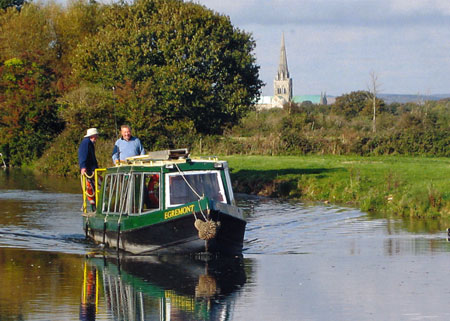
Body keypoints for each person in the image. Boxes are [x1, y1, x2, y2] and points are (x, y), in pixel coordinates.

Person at [78, 128, 99, 211]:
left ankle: (95, 206)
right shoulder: (86, 143)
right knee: (90, 187)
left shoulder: (89, 143)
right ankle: (94, 206)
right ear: (93, 136)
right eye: (96, 135)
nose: (97, 137)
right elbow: (83, 155)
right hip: (89, 170)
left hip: (92, 169)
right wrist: (83, 167)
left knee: (95, 187)